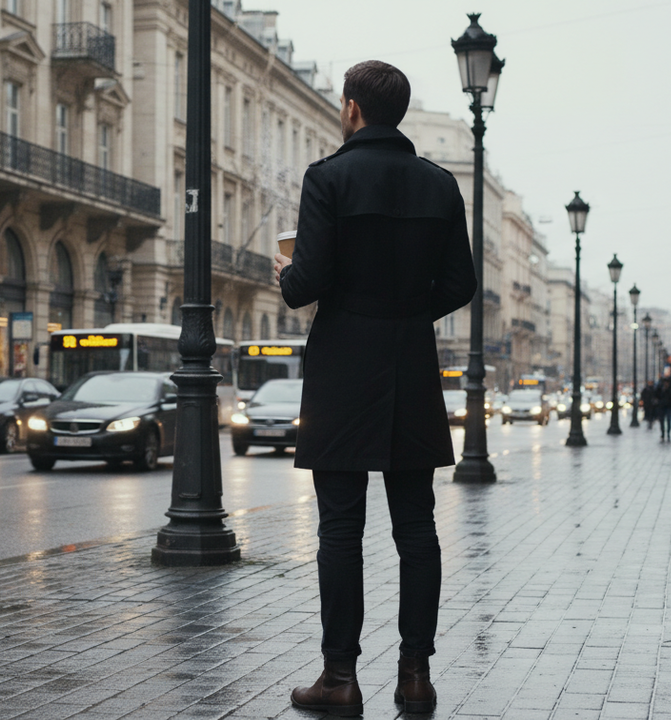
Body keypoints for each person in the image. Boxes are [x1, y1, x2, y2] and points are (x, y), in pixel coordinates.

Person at [273, 60, 477, 716]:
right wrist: (410, 308)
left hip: (341, 370)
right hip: (411, 365)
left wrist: (287, 269)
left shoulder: (327, 178)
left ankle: (340, 677)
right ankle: (415, 673)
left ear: (353, 108)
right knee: (417, 527)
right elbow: (461, 284)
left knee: (341, 528)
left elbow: (305, 283)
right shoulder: (441, 186)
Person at [655, 376, 671, 441]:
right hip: (662, 406)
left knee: (669, 420)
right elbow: (656, 395)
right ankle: (663, 433)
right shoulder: (660, 387)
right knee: (662, 420)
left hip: (670, 406)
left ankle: (668, 433)